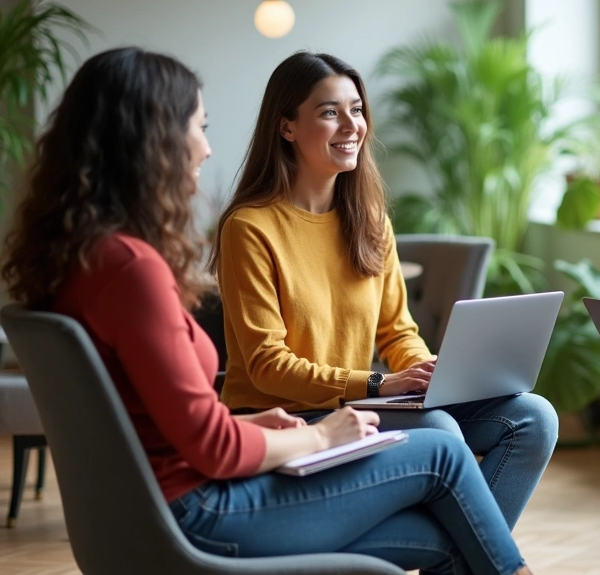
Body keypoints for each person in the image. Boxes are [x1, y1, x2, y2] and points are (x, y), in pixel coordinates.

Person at [0, 46, 533, 575]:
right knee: (441, 453)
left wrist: (265, 424)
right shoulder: (133, 269)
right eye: (198, 126)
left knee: (455, 519)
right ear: (152, 140)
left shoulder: (89, 261)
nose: (206, 149)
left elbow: (181, 426)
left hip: (168, 501)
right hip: (201, 510)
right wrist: (322, 434)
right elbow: (213, 445)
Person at [209, 51, 558, 529]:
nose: (352, 125)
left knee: (534, 417)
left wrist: (423, 371)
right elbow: (268, 366)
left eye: (356, 109)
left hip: (366, 403)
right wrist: (378, 385)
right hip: (290, 418)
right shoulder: (250, 228)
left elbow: (397, 331)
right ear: (286, 126)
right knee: (437, 430)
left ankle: (457, 562)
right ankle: (475, 558)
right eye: (330, 112)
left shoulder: (370, 221)